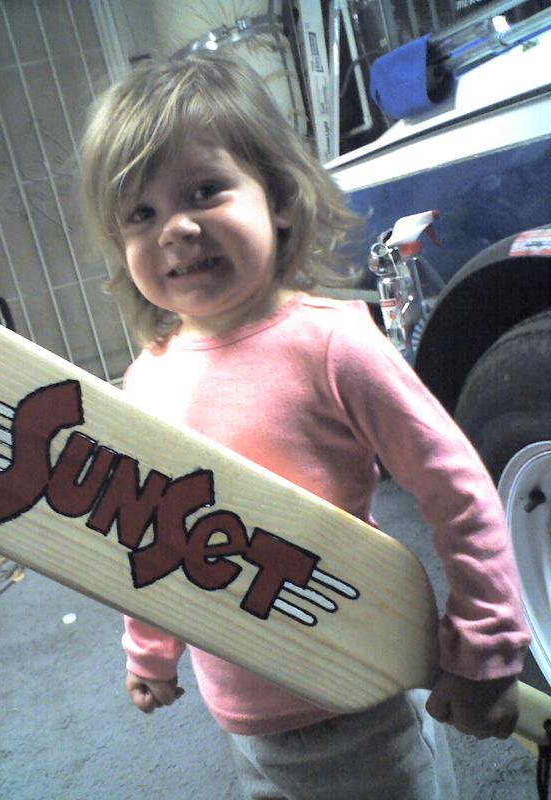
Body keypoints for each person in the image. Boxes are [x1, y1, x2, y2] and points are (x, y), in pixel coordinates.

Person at [79, 52, 530, 800]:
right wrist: (151, 647)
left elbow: (458, 491)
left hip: (364, 697)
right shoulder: (147, 379)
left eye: (205, 191)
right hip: (245, 718)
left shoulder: (332, 344)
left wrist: (485, 644)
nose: (177, 229)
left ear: (280, 198)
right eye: (141, 214)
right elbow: (152, 529)